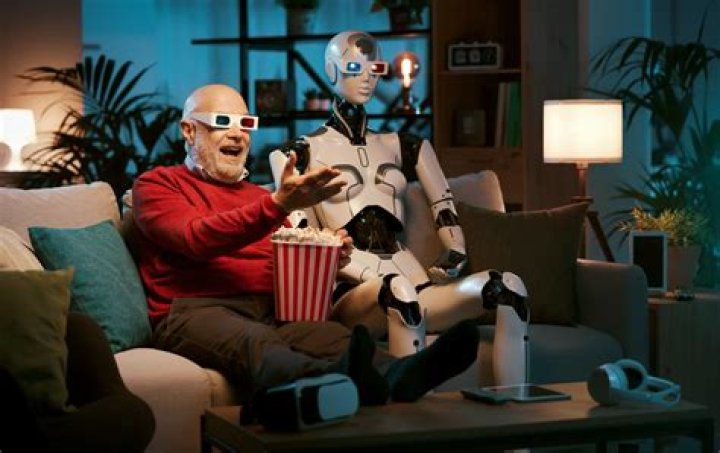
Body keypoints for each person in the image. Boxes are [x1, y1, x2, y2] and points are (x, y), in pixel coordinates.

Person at [131, 83, 482, 408]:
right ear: (188, 130)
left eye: (246, 123)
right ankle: (343, 382)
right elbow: (196, 238)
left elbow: (288, 262)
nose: (238, 133)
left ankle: (405, 373)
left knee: (333, 338)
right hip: (196, 311)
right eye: (222, 122)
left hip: (272, 312)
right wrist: (276, 205)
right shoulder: (158, 185)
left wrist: (326, 255)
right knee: (257, 342)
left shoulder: (257, 197)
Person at [269, 31, 529, 382]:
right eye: (353, 68)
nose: (367, 77)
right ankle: (406, 407)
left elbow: (444, 206)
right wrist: (335, 259)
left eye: (375, 68)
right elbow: (300, 232)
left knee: (510, 288)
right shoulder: (298, 152)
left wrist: (455, 250)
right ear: (331, 70)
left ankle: (517, 407)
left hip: (413, 279)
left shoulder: (407, 146)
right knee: (399, 293)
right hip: (350, 290)